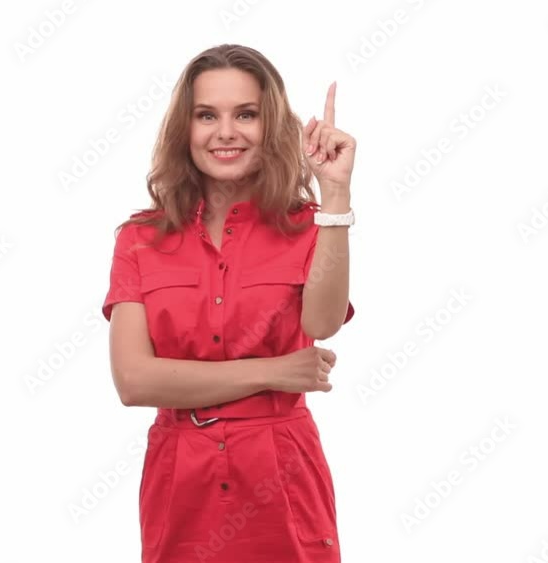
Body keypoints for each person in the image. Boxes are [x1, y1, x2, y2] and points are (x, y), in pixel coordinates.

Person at [101, 43, 357, 563]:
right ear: (185, 130)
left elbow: (323, 322)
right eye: (206, 115)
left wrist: (334, 197)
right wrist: (274, 371)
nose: (225, 132)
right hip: (182, 481)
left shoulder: (308, 227)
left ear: (272, 127)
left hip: (281, 478)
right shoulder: (140, 239)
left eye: (246, 114)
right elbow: (134, 381)